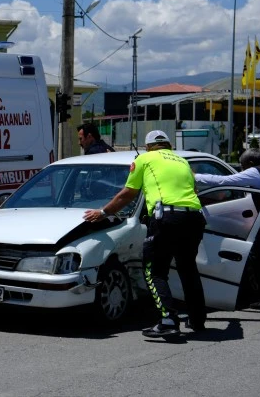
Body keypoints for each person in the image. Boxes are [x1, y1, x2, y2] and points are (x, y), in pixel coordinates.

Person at [83, 130, 207, 338]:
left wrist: (103, 212)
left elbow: (128, 193)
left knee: (154, 271)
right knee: (188, 269)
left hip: (166, 217)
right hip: (194, 218)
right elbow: (193, 189)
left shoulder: (144, 159)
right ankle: (197, 320)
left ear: (148, 146)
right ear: (168, 145)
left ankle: (168, 320)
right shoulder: (182, 162)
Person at [195, 148, 260, 310]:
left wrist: (193, 177)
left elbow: (224, 181)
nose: (243, 169)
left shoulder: (255, 172)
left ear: (250, 163)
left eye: (242, 166)